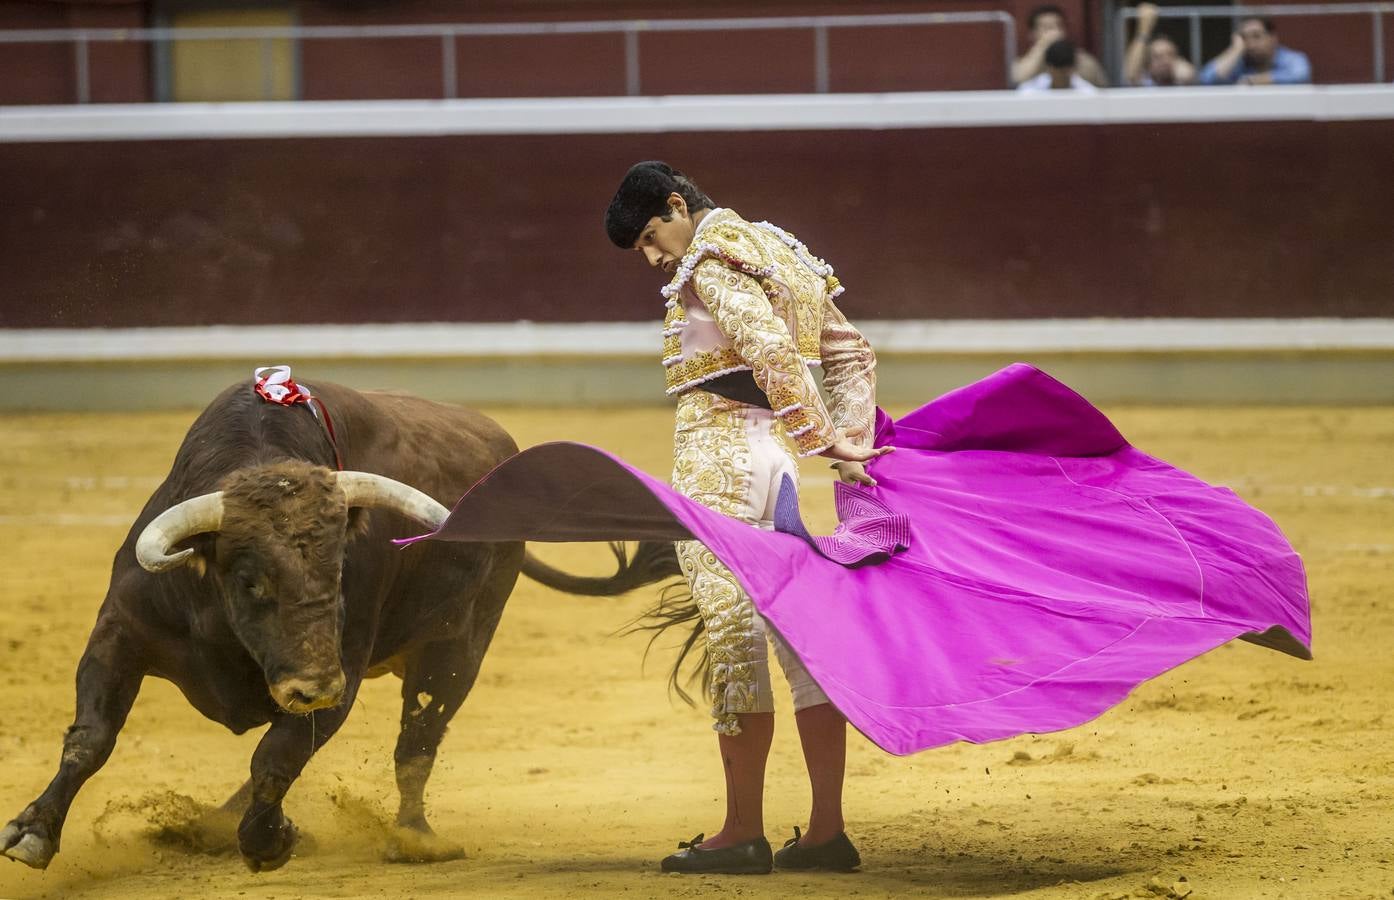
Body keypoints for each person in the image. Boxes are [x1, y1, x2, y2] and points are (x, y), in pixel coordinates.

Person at [603, 161, 890, 875]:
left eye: (649, 236)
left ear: (677, 204)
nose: (653, 256)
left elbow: (763, 347)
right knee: (797, 636)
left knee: (733, 632)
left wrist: (829, 439)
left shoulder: (708, 256)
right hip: (778, 469)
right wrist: (845, 451)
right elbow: (852, 351)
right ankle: (826, 832)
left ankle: (740, 832)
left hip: (719, 462)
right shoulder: (780, 249)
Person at [1012, 3, 1108, 87]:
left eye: (1058, 26)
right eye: (1046, 27)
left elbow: (1098, 82)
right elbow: (1018, 79)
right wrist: (1043, 46)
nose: (1054, 32)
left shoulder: (1080, 57)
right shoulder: (1025, 60)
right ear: (1032, 33)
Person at [1200, 16, 1312, 85]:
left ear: (1273, 38)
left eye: (1257, 36)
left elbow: (1301, 75)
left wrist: (1258, 80)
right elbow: (1207, 79)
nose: (1251, 44)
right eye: (1245, 38)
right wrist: (1236, 49)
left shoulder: (1291, 59)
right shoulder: (1240, 62)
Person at [1125, 2, 1197, 86]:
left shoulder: (1182, 80)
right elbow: (1130, 74)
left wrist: (1191, 77)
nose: (1165, 61)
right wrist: (1144, 29)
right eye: (1158, 57)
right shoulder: (1146, 83)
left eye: (1170, 55)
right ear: (1148, 64)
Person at [1016, 40, 1101, 93]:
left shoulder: (1087, 93)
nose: (1062, 76)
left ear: (1073, 68)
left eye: (1066, 71)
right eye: (1059, 72)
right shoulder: (1029, 91)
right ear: (1049, 68)